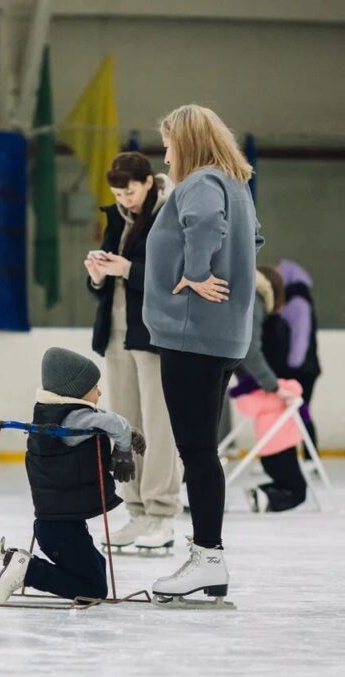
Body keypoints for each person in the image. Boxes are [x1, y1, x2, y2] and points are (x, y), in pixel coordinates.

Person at [144, 104, 263, 604]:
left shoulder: (200, 183)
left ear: (186, 143)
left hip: (191, 333)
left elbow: (206, 223)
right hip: (222, 336)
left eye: (169, 143)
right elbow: (254, 238)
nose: (166, 153)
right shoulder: (236, 184)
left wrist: (195, 270)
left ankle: (207, 558)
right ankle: (207, 557)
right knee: (200, 448)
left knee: (195, 449)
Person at [0, 348, 146, 604]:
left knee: (96, 566)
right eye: (95, 387)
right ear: (76, 390)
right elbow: (114, 423)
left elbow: (106, 422)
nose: (100, 393)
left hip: (58, 524)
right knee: (93, 589)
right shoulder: (75, 419)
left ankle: (17, 563)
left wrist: (126, 435)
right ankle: (26, 569)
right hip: (59, 528)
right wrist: (124, 444)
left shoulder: (56, 415)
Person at [85, 152, 180, 554]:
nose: (124, 200)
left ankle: (162, 514)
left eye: (129, 192)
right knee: (124, 427)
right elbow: (109, 281)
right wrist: (97, 276)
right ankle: (136, 511)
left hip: (155, 334)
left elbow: (173, 276)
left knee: (158, 426)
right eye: (117, 193)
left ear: (147, 184)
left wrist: (126, 269)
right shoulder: (117, 218)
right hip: (117, 333)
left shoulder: (167, 215)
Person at [228, 267, 308, 512]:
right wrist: (272, 384)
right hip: (264, 387)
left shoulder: (245, 300)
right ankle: (272, 492)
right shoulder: (258, 305)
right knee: (297, 490)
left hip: (253, 385)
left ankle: (268, 492)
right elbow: (252, 351)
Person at [277, 258, 321, 452]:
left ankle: (310, 457)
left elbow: (300, 337)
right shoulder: (299, 299)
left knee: (300, 413)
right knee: (298, 413)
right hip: (305, 367)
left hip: (301, 369)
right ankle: (303, 457)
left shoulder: (297, 302)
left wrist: (292, 367)